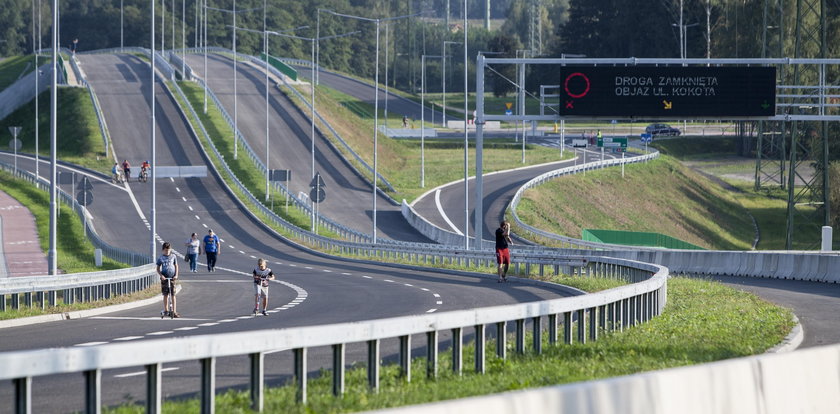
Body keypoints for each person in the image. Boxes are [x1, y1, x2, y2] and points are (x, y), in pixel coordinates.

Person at [156, 241, 180, 317]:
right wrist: (161, 275)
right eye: (166, 250)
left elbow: (176, 266)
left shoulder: (173, 256)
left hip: (172, 278)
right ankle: (166, 310)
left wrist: (176, 275)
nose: (167, 251)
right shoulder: (161, 258)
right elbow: (158, 268)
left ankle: (174, 311)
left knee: (173, 294)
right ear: (163, 250)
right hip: (164, 278)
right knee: (165, 294)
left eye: (168, 250)